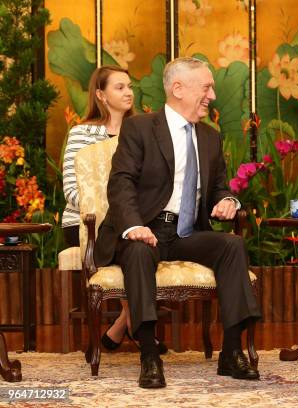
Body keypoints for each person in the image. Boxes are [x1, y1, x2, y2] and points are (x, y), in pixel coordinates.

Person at [93, 57, 261, 388]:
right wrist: (133, 226)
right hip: (143, 229)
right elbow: (121, 183)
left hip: (185, 232)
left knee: (233, 245)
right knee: (139, 252)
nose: (212, 95)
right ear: (178, 88)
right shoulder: (140, 127)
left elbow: (219, 188)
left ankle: (231, 352)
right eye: (207, 87)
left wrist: (228, 201)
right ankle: (149, 357)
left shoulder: (210, 138)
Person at [61, 66, 167, 354]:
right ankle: (135, 324)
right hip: (86, 223)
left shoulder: (144, 130)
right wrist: (118, 212)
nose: (129, 92)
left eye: (129, 86)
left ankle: (124, 322)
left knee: (141, 241)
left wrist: (130, 216)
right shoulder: (82, 133)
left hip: (134, 221)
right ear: (100, 94)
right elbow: (72, 190)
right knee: (126, 239)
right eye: (119, 87)